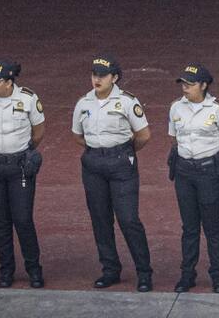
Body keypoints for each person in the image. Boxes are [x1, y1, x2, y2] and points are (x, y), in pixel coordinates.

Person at [72, 55, 154, 292]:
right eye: (94, 74)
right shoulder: (83, 103)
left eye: (102, 76)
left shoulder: (127, 102)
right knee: (100, 219)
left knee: (128, 219)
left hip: (120, 163)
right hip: (93, 163)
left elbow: (144, 135)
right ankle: (110, 269)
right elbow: (77, 135)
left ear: (115, 78)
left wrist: (123, 152)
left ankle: (144, 272)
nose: (96, 79)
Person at [0, 61, 46, 289]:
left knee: (22, 220)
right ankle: (6, 270)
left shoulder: (29, 99)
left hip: (19, 167)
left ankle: (34, 269)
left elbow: (39, 131)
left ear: (9, 82)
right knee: (1, 221)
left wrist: (21, 150)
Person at [169, 64, 219, 294]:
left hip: (208, 174)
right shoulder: (176, 108)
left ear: (204, 85)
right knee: (189, 227)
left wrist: (213, 161)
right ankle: (187, 275)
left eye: (190, 84)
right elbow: (174, 139)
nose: (185, 88)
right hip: (184, 173)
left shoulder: (218, 109)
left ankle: (218, 276)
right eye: (184, 84)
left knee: (211, 226)